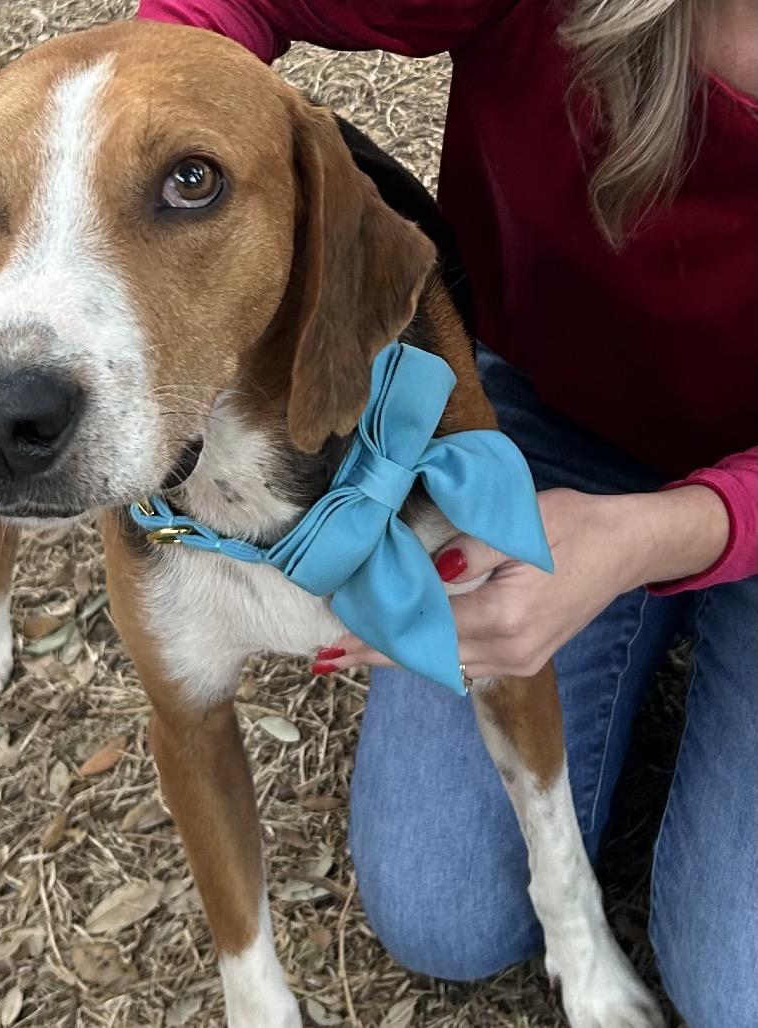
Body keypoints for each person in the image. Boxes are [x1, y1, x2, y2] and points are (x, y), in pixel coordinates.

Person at [138, 2, 758, 1025]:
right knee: (440, 909)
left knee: (738, 990)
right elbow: (219, 9)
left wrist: (656, 534)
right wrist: (151, 163)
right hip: (547, 416)